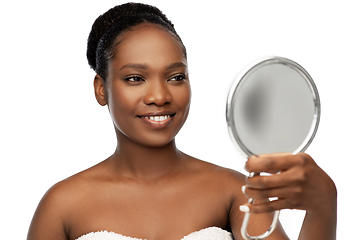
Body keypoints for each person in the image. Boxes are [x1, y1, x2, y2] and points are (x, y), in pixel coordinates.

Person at [27, 3, 337, 240]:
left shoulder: (234, 191)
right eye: (135, 78)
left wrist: (324, 207)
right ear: (101, 88)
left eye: (176, 77)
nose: (160, 96)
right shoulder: (62, 206)